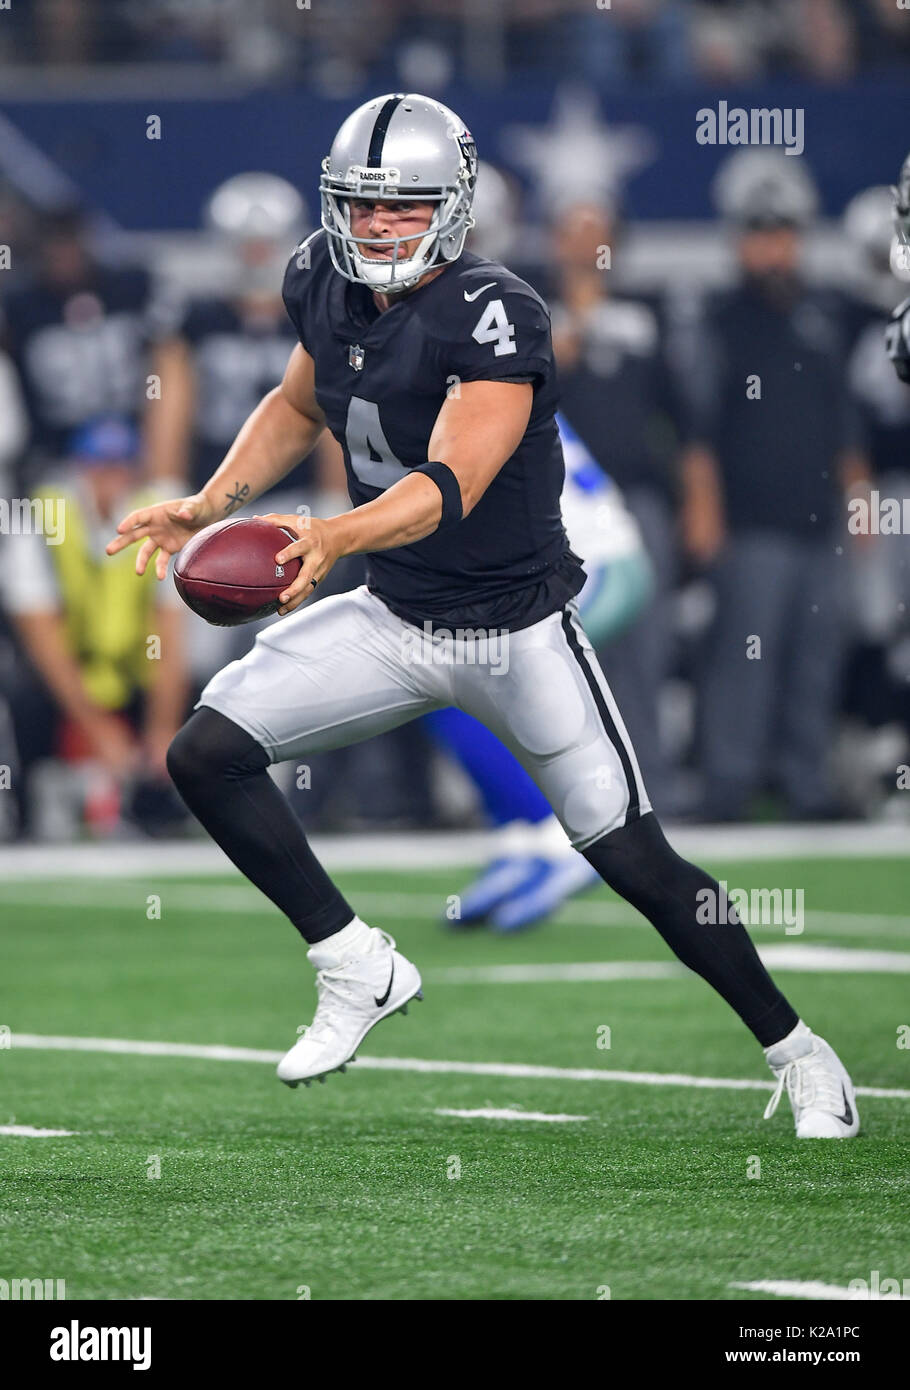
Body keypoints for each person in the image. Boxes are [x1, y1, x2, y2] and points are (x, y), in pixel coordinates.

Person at [108, 93, 858, 1138]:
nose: (374, 227)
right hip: (396, 616)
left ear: (452, 209)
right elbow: (294, 406)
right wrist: (206, 504)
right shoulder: (317, 280)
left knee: (635, 857)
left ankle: (800, 1051)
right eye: (359, 205)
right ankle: (353, 961)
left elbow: (451, 480)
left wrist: (333, 535)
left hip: (514, 629)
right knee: (204, 752)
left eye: (400, 207)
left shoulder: (495, 310)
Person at [680, 151, 868, 822]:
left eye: (783, 230)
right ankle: (729, 784)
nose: (772, 245)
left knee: (815, 660)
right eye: (759, 231)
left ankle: (806, 783)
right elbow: (696, 428)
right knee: (745, 658)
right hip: (751, 521)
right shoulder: (721, 318)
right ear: (738, 237)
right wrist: (704, 512)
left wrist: (860, 499)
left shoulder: (825, 312)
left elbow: (843, 418)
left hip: (819, 518)